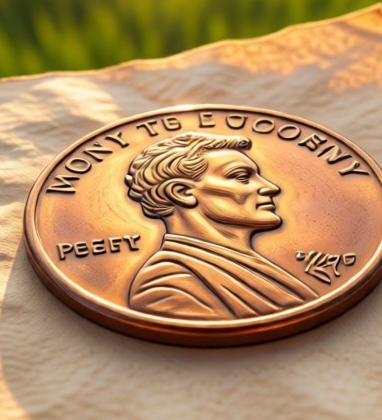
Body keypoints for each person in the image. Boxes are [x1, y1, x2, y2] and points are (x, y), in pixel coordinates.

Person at [124, 132, 319, 320]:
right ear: (181, 192)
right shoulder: (167, 286)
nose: (271, 187)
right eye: (242, 177)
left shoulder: (245, 264)